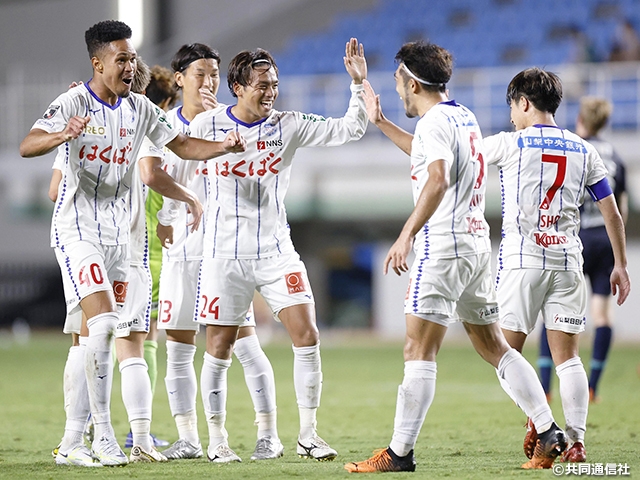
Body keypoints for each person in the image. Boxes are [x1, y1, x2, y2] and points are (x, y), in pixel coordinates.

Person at [20, 19, 245, 467]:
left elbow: (181, 144)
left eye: (132, 58)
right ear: (97, 62)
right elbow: (28, 144)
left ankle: (70, 444)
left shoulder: (140, 108)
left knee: (89, 337)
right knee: (103, 326)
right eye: (121, 59)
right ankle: (103, 436)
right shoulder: (73, 100)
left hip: (121, 239)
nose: (130, 66)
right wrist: (62, 135)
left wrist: (222, 147)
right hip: (78, 229)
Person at [344, 41, 567, 474]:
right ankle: (548, 431)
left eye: (397, 85)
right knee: (494, 346)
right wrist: (382, 122)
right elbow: (431, 155)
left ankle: (399, 453)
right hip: (475, 246)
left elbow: (438, 177)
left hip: (442, 246)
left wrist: (407, 233)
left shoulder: (432, 123)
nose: (397, 93)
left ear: (412, 82)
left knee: (418, 349)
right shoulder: (462, 116)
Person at [188, 38, 368, 463]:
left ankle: (308, 434)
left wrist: (358, 85)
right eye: (261, 85)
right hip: (222, 254)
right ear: (238, 86)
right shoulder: (206, 126)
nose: (270, 92)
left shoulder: (288, 124)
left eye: (274, 84)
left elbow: (350, 128)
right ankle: (217, 441)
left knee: (307, 335)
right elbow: (171, 155)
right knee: (219, 347)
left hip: (275, 250)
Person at [483, 68, 630, 464]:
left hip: (523, 262)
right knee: (568, 359)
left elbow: (457, 160)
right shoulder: (584, 149)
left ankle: (542, 423)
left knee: (504, 354)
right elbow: (612, 212)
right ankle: (577, 442)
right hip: (568, 260)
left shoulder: (509, 143)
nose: (512, 115)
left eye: (512, 106)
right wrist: (621, 263)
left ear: (524, 103)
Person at [151, 43, 281, 462]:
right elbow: (151, 174)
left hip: (221, 252)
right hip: (178, 252)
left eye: (213, 74)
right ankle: (188, 438)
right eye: (200, 74)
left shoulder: (232, 121)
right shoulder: (162, 124)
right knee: (177, 346)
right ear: (180, 79)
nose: (208, 82)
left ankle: (268, 433)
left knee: (244, 344)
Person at [537, 96, 628, 404]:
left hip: (575, 238)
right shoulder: (615, 155)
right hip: (605, 238)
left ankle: (545, 388)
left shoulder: (574, 148)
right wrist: (619, 254)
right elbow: (620, 210)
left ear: (581, 119)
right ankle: (593, 387)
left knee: (553, 313)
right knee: (602, 315)